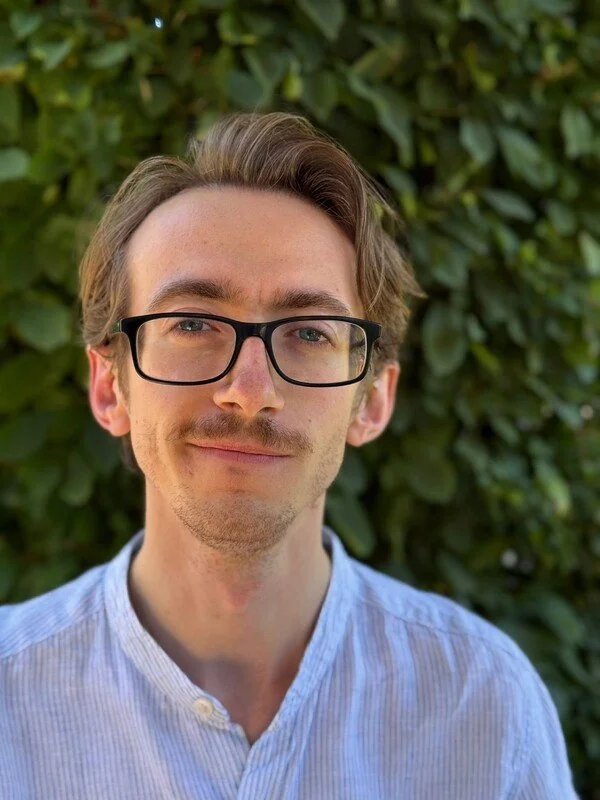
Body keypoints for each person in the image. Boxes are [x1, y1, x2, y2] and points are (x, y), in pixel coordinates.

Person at [0, 111, 578, 799]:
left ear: (371, 401)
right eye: (192, 323)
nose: (250, 392)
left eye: (308, 332)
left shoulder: (483, 705)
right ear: (109, 388)